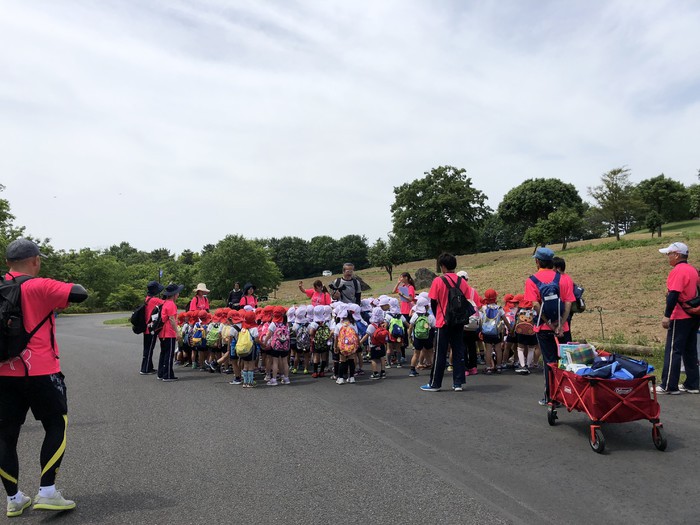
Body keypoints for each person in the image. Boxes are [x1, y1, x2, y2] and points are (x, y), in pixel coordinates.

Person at [0, 238, 88, 516]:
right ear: (36, 261)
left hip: (3, 372)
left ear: (7, 263)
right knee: (55, 424)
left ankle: (14, 499)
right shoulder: (39, 285)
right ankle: (47, 491)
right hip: (40, 370)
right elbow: (79, 293)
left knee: (5, 436)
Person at [420, 253, 481, 392]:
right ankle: (458, 383)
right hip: (459, 321)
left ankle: (435, 383)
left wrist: (438, 316)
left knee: (440, 353)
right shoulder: (462, 282)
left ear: (443, 266)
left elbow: (433, 302)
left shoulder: (438, 281)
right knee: (459, 351)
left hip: (443, 321)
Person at [523, 247, 574, 406]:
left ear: (537, 262)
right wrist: (560, 324)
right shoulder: (565, 278)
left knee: (549, 362)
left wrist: (550, 325)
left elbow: (536, 306)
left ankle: (551, 397)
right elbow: (568, 304)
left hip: (544, 329)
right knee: (565, 362)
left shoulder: (531, 280)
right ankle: (569, 396)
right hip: (563, 329)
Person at [657, 242, 700, 395]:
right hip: (694, 315)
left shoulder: (677, 271)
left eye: (668, 254)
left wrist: (667, 315)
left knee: (673, 350)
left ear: (676, 254)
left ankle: (669, 385)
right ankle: (693, 383)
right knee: (690, 350)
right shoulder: (693, 270)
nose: (667, 257)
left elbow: (673, 294)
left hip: (680, 316)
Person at [158, 283, 184, 382]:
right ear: (174, 294)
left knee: (163, 353)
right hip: (168, 332)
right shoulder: (171, 304)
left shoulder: (165, 302)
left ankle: (161, 373)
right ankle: (167, 375)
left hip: (162, 332)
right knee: (169, 354)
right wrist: (177, 332)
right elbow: (172, 319)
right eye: (177, 293)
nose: (178, 294)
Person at [139, 281, 164, 375]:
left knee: (147, 348)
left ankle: (148, 366)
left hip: (146, 327)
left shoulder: (147, 299)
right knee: (149, 349)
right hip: (151, 328)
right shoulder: (154, 300)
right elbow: (165, 303)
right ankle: (145, 368)